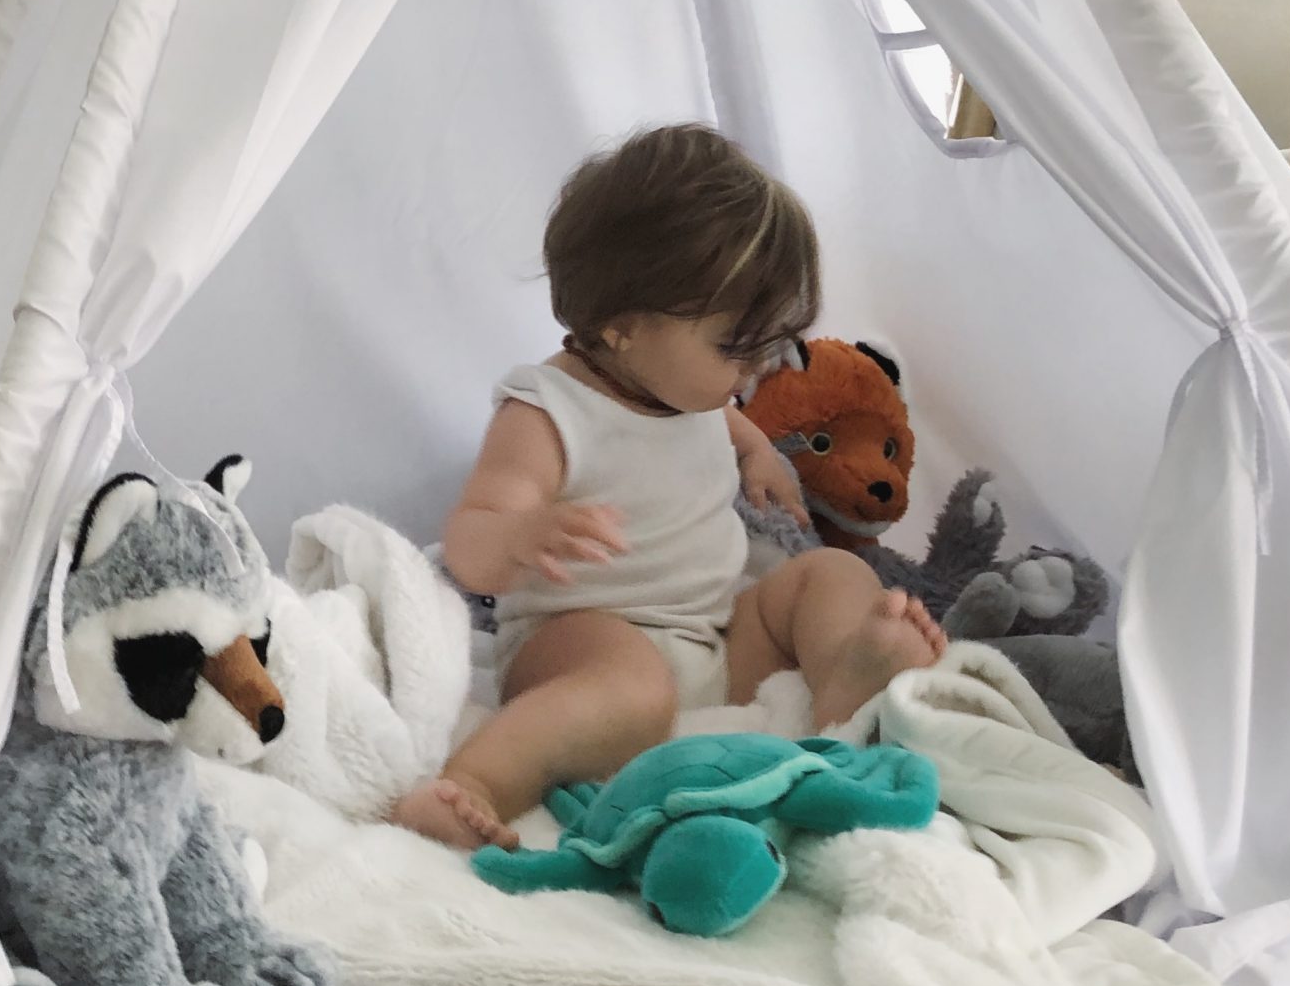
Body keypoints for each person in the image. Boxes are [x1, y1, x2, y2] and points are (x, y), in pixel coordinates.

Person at [392, 124, 946, 851]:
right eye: (734, 349)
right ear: (622, 328)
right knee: (633, 690)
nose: (751, 374)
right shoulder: (549, 414)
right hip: (586, 641)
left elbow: (727, 422)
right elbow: (471, 542)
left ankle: (844, 680)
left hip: (716, 630)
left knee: (830, 572)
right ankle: (474, 784)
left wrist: (758, 458)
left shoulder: (693, 392)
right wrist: (521, 535)